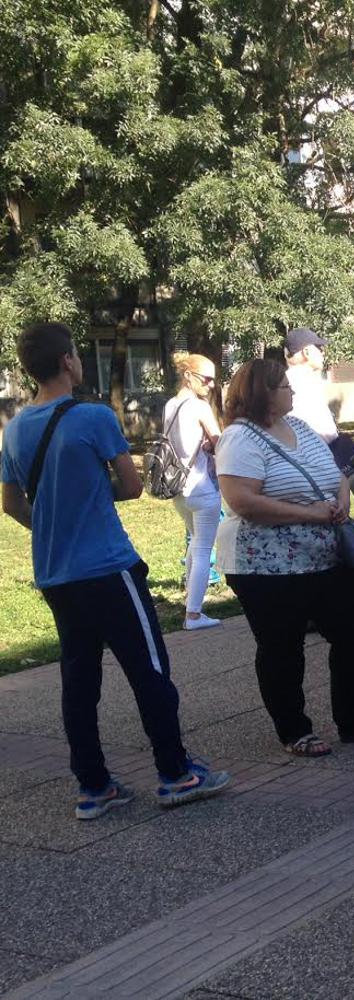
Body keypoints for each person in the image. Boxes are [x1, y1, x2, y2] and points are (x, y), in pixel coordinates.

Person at [1, 323, 231, 819]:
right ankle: (176, 773)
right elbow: (130, 487)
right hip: (108, 567)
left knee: (79, 680)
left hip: (56, 573)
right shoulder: (93, 417)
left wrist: (53, 519)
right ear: (67, 361)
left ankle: (93, 785)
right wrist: (88, 500)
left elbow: (11, 501)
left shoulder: (16, 427)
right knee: (148, 669)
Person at [216, 358, 354, 757]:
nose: (292, 391)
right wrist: (311, 512)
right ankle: (294, 730)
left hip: (326, 555)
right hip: (267, 567)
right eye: (284, 386)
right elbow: (242, 501)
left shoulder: (300, 427)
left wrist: (340, 501)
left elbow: (336, 475)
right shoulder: (239, 438)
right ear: (261, 393)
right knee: (282, 647)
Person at [164, 353, 224, 630]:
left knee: (194, 544)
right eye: (206, 378)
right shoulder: (199, 407)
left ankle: (191, 603)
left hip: (178, 490)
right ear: (188, 375)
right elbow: (219, 441)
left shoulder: (170, 405)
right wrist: (214, 445)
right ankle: (194, 615)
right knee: (202, 548)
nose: (211, 384)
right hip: (202, 487)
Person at [283, 328, 339, 443]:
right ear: (306, 352)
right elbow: (323, 432)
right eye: (319, 348)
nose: (322, 352)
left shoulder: (285, 383)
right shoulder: (301, 384)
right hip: (316, 455)